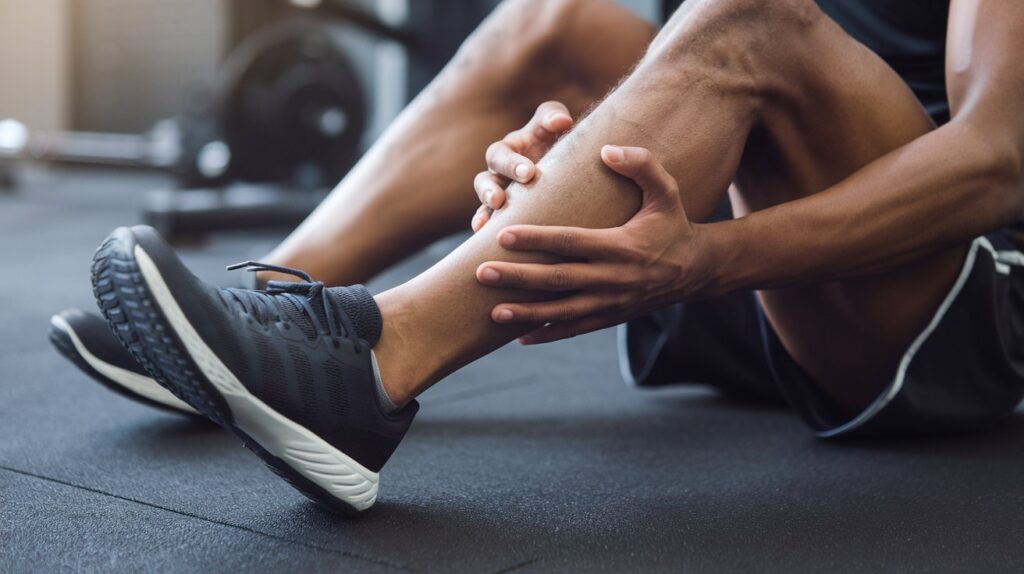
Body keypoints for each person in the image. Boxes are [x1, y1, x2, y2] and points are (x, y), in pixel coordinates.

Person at [50, 0, 1024, 515]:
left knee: (751, 17)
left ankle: (371, 367)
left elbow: (999, 162)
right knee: (555, 22)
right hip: (759, 271)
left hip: (933, 296)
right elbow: (674, 87)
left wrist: (712, 257)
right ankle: (262, 308)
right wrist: (544, 151)